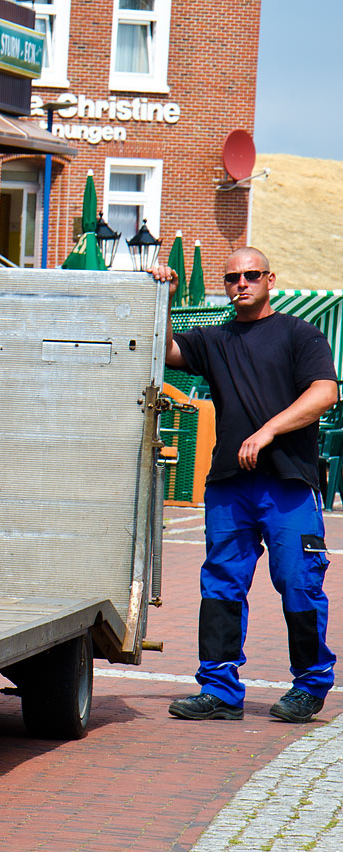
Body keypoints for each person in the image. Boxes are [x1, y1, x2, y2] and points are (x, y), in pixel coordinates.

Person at [151, 248, 338, 722]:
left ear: (269, 278)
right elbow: (166, 349)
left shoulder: (301, 334)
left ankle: (310, 685)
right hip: (229, 485)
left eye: (251, 275)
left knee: (298, 583)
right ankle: (219, 689)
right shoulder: (216, 340)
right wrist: (165, 298)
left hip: (288, 485)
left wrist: (269, 429)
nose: (241, 283)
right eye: (232, 276)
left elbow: (324, 393)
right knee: (221, 585)